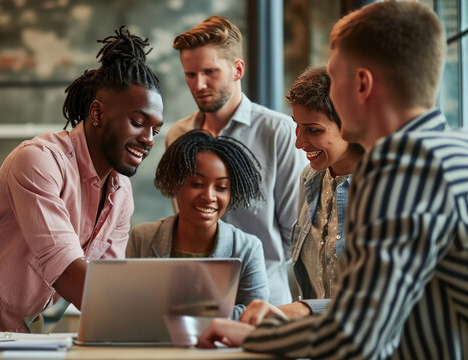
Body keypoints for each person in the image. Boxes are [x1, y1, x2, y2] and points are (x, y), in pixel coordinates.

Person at [197, 2, 468, 358]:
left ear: (361, 83)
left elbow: (354, 337)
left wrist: (249, 337)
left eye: (334, 77)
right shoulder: (456, 149)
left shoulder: (402, 165)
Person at [0, 26, 164, 337]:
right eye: (138, 122)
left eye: (155, 129)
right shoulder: (39, 160)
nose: (149, 139)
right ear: (97, 113)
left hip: (16, 321)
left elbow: (105, 283)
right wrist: (156, 319)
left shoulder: (121, 192)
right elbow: (68, 272)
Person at [167, 15, 306, 306]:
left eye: (210, 72)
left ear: (237, 69)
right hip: (194, 302)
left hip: (265, 306)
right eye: (190, 74)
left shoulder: (279, 132)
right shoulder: (177, 136)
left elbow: (296, 233)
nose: (199, 84)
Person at [241, 67, 364, 323]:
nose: (299, 142)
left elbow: (377, 296)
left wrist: (303, 309)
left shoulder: (382, 188)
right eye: (297, 127)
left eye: (313, 130)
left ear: (349, 125)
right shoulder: (310, 177)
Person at [127, 130, 269, 320]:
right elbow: (128, 308)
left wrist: (181, 310)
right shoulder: (142, 238)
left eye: (221, 188)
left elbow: (255, 316)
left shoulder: (248, 248)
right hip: (155, 346)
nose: (209, 197)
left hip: (224, 349)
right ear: (176, 184)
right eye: (197, 184)